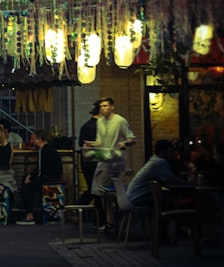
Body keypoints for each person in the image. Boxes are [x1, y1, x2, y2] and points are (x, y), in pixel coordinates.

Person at [82, 96, 136, 231]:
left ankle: (114, 218)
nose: (103, 109)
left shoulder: (120, 121)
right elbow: (100, 141)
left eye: (105, 106)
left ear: (112, 107)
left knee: (104, 190)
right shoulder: (100, 122)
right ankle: (110, 219)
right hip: (104, 156)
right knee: (99, 191)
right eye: (101, 106)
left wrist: (124, 142)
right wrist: (90, 143)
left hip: (116, 159)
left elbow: (132, 138)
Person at [126, 139, 190, 209]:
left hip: (132, 197)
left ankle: (160, 219)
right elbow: (171, 181)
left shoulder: (154, 160)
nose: (172, 153)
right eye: (170, 151)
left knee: (166, 200)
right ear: (163, 151)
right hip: (138, 198)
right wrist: (190, 183)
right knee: (170, 204)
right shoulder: (160, 162)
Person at [21, 129, 64, 224]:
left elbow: (41, 169)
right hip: (52, 177)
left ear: (40, 139)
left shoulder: (43, 151)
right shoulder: (49, 149)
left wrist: (31, 177)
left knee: (26, 189)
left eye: (34, 139)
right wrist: (31, 175)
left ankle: (30, 214)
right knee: (28, 182)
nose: (33, 141)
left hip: (48, 178)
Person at [77, 102, 101, 205]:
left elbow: (80, 144)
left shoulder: (86, 125)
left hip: (86, 162)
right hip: (94, 162)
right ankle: (76, 210)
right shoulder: (97, 127)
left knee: (94, 190)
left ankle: (99, 218)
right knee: (95, 190)